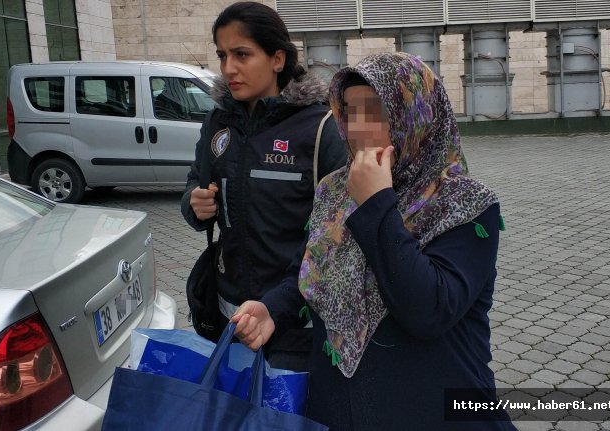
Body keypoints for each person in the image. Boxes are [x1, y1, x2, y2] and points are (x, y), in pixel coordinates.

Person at [232, 52, 517, 430]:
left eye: (377, 110)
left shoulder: (464, 203)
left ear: (416, 115)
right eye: (350, 111)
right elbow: (307, 272)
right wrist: (273, 310)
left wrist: (377, 204)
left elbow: (427, 309)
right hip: (338, 412)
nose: (360, 127)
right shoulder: (334, 190)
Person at [181, 2, 347, 371]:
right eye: (222, 55)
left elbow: (336, 235)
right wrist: (194, 204)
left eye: (242, 54)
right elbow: (196, 181)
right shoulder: (217, 122)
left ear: (277, 59)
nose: (228, 68)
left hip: (296, 320)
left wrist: (281, 305)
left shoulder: (320, 128)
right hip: (230, 313)